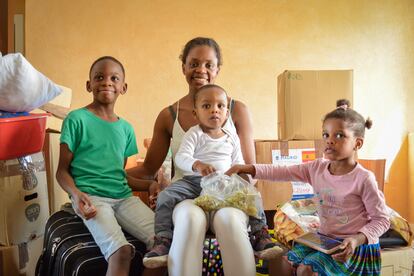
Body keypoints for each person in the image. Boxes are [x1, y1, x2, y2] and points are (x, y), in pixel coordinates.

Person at [127, 37, 264, 276]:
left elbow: (249, 170)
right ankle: (164, 245)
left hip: (228, 194)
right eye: (194, 63)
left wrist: (235, 188)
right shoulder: (169, 115)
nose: (201, 70)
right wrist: (109, 174)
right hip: (187, 194)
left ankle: (260, 239)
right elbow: (149, 169)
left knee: (229, 221)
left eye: (209, 65)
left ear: (217, 70)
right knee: (190, 219)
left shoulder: (237, 110)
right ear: (183, 67)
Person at [226, 99, 390, 276]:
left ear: (357, 143)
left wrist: (357, 239)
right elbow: (282, 172)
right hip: (325, 242)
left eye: (339, 135)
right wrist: (248, 168)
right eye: (326, 135)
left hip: (354, 249)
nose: (330, 141)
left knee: (307, 270)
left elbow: (382, 220)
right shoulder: (317, 168)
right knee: (280, 262)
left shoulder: (364, 179)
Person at [142, 84, 283, 268]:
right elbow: (181, 157)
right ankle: (163, 240)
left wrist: (242, 177)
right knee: (166, 196)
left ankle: (260, 235)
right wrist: (197, 164)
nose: (214, 110)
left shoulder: (230, 137)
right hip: (193, 182)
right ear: (196, 114)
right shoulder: (194, 134)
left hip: (222, 184)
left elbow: (238, 161)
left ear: (226, 112)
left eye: (220, 106)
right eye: (207, 106)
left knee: (253, 195)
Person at [56, 56, 161, 276]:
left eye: (114, 78)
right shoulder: (76, 119)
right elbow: (62, 171)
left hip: (124, 198)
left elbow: (118, 176)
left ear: (123, 87)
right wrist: (76, 195)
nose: (107, 82)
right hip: (91, 198)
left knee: (165, 243)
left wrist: (149, 185)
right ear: (89, 85)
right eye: (99, 77)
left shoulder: (126, 129)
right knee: (121, 251)